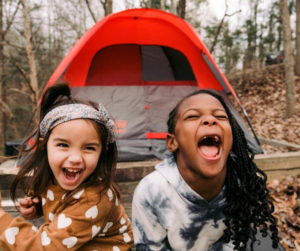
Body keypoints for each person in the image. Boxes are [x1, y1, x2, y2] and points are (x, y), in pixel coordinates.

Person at [132, 89, 282, 251]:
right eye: (192, 116)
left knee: (268, 244)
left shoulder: (243, 180)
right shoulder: (152, 191)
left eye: (220, 116)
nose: (210, 120)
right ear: (172, 142)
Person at [0, 83, 133, 250]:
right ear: (44, 146)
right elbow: (62, 202)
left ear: (102, 152)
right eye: (63, 145)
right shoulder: (54, 179)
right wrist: (39, 205)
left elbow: (42, 247)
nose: (76, 158)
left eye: (89, 148)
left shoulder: (95, 198)